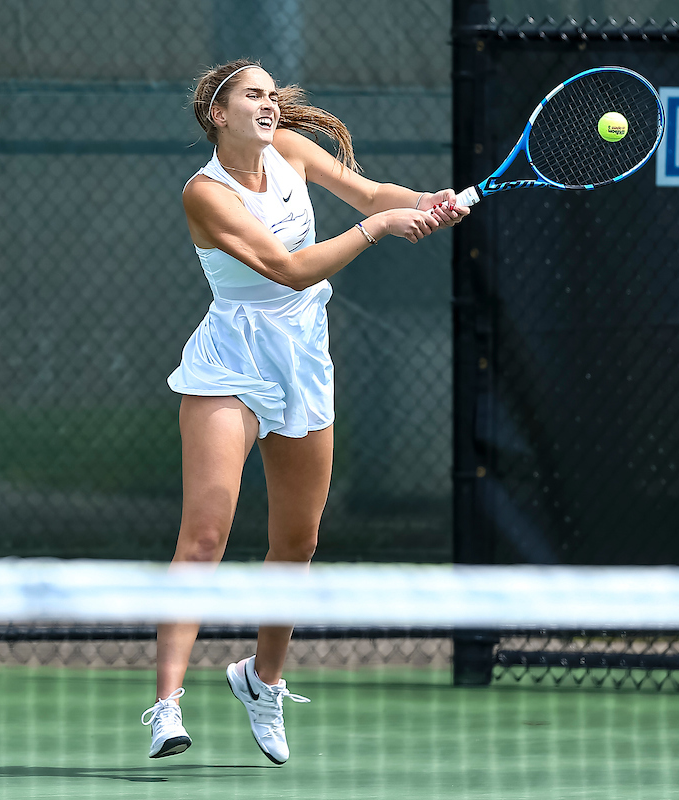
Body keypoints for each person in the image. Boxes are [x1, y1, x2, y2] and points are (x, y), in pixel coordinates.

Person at [140, 60, 468, 764]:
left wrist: (424, 200)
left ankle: (263, 680)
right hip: (232, 360)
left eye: (270, 94)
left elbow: (368, 190)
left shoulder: (289, 148)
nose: (268, 103)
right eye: (252, 95)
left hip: (302, 359)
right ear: (218, 114)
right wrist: (379, 227)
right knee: (204, 536)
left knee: (297, 544)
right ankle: (166, 705)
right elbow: (288, 270)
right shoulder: (204, 194)